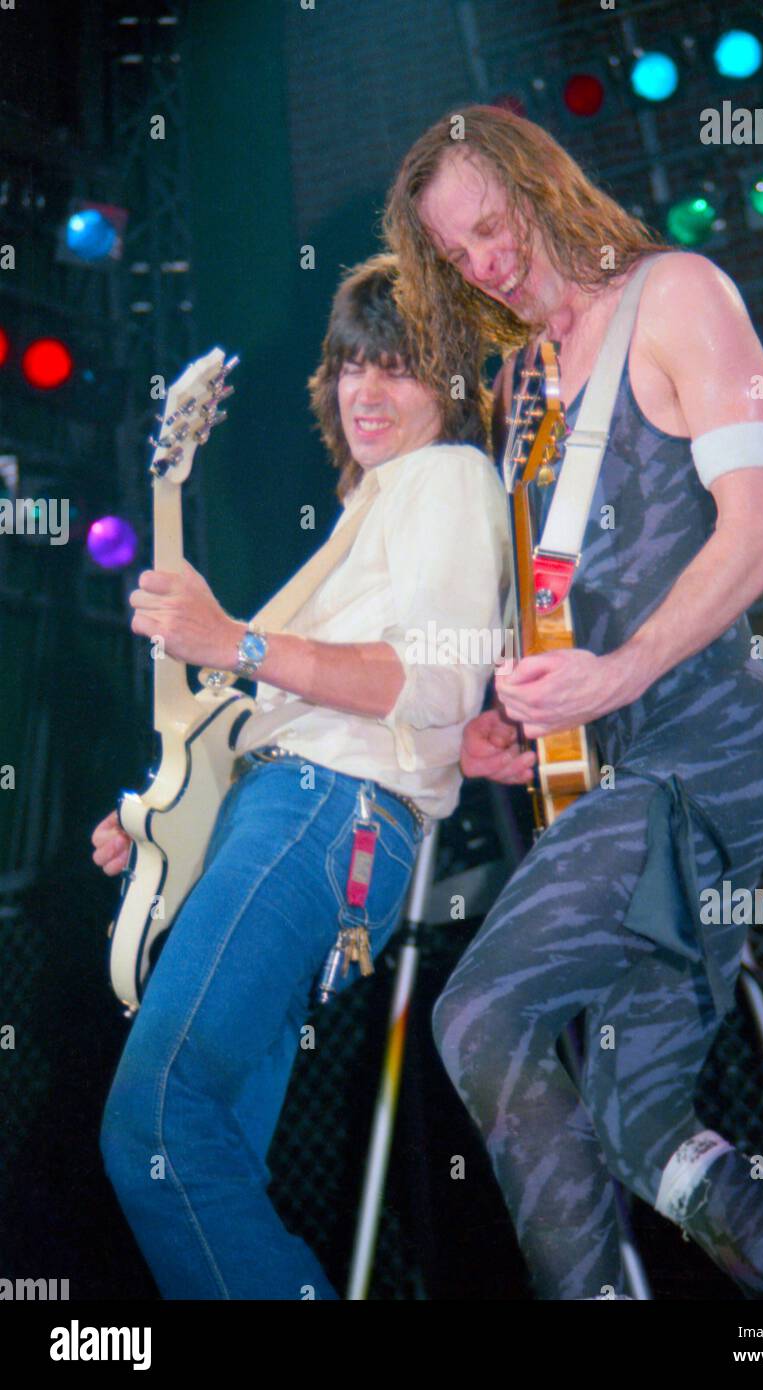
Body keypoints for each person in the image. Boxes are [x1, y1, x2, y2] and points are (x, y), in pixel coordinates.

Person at [384, 106, 763, 1301]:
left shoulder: (681, 293)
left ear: (545, 184)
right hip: (607, 778)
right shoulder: (520, 378)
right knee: (643, 1129)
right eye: (457, 252)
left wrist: (620, 672)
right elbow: (557, 607)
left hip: (704, 759)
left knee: (480, 1012)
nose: (485, 265)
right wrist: (514, 722)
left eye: (494, 228)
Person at [90, 252, 510, 1300]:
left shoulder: (446, 476)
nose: (365, 390)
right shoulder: (376, 506)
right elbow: (259, 720)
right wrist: (159, 822)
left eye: (398, 367)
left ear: (449, 380)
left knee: (158, 1121)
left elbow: (441, 681)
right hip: (308, 824)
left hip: (327, 813)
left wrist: (237, 639)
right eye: (350, 365)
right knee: (211, 1141)